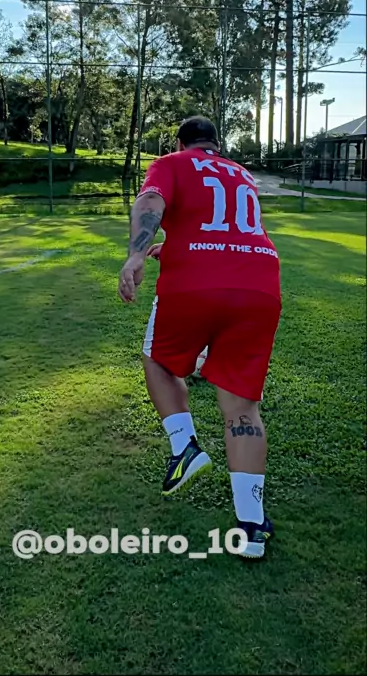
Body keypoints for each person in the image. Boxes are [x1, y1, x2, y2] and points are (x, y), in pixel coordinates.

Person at [118, 116, 281, 559]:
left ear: (180, 143)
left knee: (158, 360)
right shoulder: (240, 172)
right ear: (216, 144)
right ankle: (252, 527)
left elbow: (151, 201)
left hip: (195, 285)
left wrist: (135, 255)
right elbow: (225, 227)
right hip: (259, 286)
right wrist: (172, 246)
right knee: (242, 407)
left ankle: (184, 446)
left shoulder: (171, 163)